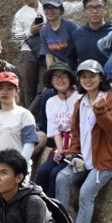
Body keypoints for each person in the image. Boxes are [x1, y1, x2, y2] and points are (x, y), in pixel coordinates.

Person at [54, 60, 112, 223]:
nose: (88, 80)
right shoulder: (80, 102)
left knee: (86, 194)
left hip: (106, 160)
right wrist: (72, 152)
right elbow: (77, 133)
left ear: (100, 77)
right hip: (84, 158)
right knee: (62, 178)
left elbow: (111, 126)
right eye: (83, 76)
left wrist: (100, 109)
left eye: (92, 76)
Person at [0, 72, 39, 190]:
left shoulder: (24, 115)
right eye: (0, 88)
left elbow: (29, 145)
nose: (4, 92)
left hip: (17, 175)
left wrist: (16, 171)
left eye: (9, 88)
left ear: (16, 91)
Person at [35, 62, 81, 197]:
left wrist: (71, 150)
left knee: (56, 174)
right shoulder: (51, 102)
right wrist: (60, 149)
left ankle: (52, 212)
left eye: (63, 76)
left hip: (78, 146)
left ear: (70, 79)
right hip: (61, 144)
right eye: (55, 77)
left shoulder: (79, 98)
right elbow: (54, 130)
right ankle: (36, 204)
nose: (59, 80)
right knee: (44, 171)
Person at [10, 0, 46, 108]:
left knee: (45, 87)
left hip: (46, 51)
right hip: (28, 52)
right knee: (28, 88)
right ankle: (30, 120)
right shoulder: (20, 15)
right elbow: (15, 37)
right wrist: (30, 32)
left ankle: (35, 115)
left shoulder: (47, 8)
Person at [72, 0, 112, 67]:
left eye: (99, 7)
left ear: (105, 9)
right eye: (90, 7)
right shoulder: (77, 35)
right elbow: (70, 59)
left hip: (109, 78)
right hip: (84, 78)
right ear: (85, 10)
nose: (94, 11)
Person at [39, 0, 80, 71]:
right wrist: (50, 74)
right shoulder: (44, 31)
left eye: (53, 8)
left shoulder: (70, 26)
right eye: (46, 8)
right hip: (62, 67)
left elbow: (81, 46)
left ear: (60, 9)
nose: (50, 11)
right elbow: (49, 56)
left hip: (76, 64)